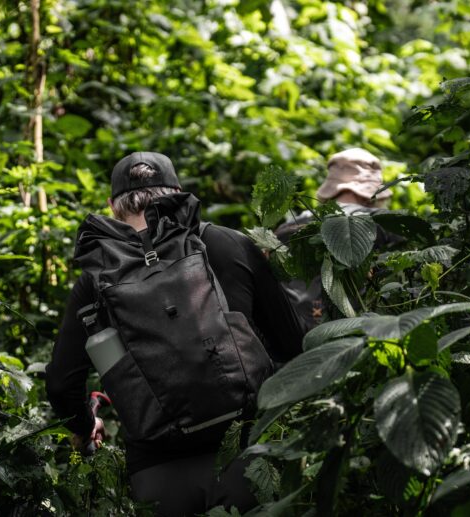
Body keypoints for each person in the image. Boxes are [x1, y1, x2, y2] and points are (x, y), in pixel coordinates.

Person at [46, 151, 305, 516]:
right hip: (248, 453)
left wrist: (86, 423)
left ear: (112, 206)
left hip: (158, 469)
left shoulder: (95, 279)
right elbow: (293, 344)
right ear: (178, 192)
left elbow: (60, 383)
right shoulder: (228, 244)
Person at [275, 148, 394, 328]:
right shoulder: (381, 221)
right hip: (346, 330)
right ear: (373, 191)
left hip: (287, 328)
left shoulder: (292, 224)